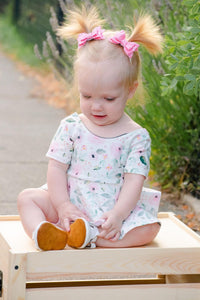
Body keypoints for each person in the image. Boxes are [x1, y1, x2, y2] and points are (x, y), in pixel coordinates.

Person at [17, 6, 163, 251]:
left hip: (110, 212)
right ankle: (45, 233)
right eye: (87, 96)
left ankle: (92, 237)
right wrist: (62, 205)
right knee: (27, 198)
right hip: (69, 202)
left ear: (130, 91)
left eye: (108, 99)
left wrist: (117, 215)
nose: (96, 107)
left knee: (150, 228)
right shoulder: (72, 126)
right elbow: (56, 168)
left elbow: (133, 183)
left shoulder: (136, 137)